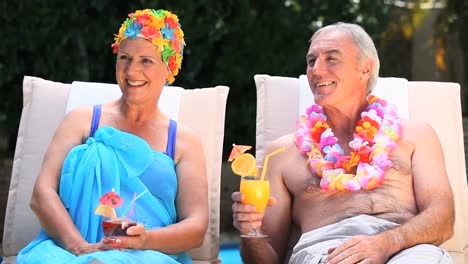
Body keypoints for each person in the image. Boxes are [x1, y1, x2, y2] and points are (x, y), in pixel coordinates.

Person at [232, 22, 454, 263]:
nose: (316, 70)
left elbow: (443, 217)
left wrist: (387, 242)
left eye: (331, 58)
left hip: (407, 249)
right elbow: (266, 261)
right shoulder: (282, 153)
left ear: (365, 68)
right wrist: (251, 231)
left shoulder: (416, 134)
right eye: (311, 61)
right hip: (326, 253)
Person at [17, 9, 208, 264]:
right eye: (125, 58)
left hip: (146, 254)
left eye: (146, 61)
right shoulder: (82, 121)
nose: (131, 71)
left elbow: (196, 227)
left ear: (169, 68)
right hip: (70, 249)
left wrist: (144, 240)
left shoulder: (184, 141)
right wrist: (82, 248)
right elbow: (42, 194)